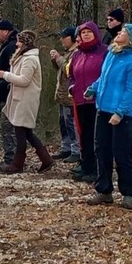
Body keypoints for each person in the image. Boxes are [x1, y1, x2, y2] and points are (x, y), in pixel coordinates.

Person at [86, 23, 132, 209]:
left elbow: (131, 90)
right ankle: (103, 190)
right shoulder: (112, 53)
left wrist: (120, 112)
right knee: (101, 151)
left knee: (122, 153)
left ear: (131, 39)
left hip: (122, 114)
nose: (119, 34)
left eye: (123, 32)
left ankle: (129, 193)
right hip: (103, 109)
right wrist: (93, 89)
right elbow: (103, 78)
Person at [0, 30, 53, 174]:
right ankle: (46, 160)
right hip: (20, 98)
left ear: (25, 43)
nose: (16, 43)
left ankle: (17, 164)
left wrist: (6, 75)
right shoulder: (23, 56)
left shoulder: (30, 59)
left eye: (19, 41)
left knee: (21, 132)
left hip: (26, 100)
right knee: (27, 133)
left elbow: (24, 80)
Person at [68, 21, 107, 183]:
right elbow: (71, 74)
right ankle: (86, 165)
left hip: (96, 101)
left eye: (88, 32)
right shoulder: (77, 54)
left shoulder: (104, 51)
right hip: (79, 99)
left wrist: (96, 90)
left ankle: (97, 169)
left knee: (95, 135)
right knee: (83, 135)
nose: (85, 35)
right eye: (83, 33)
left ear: (95, 33)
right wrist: (71, 87)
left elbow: (106, 74)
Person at [49, 27, 81, 163]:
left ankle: (75, 150)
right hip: (62, 95)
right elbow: (61, 70)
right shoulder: (68, 52)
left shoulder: (76, 52)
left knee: (71, 123)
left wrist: (59, 58)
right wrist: (54, 60)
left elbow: (69, 69)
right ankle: (66, 147)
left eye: (64, 37)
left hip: (70, 95)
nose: (62, 40)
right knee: (63, 123)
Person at [0, 19, 20, 165]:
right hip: (6, 92)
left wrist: (2, 85)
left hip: (8, 94)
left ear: (5, 31)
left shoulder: (10, 47)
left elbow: (13, 70)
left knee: (8, 127)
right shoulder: (8, 45)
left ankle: (11, 159)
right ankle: (15, 158)